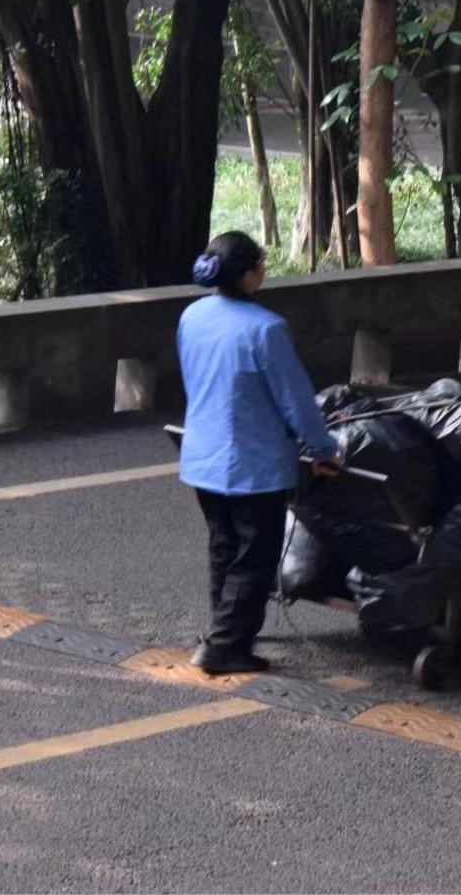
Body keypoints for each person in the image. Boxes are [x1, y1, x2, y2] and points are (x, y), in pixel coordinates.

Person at [177, 231, 341, 675]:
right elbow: (296, 400)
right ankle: (225, 645)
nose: (263, 271)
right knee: (255, 555)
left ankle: (225, 629)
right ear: (250, 275)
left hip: (202, 454)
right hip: (254, 462)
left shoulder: (192, 316)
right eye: (260, 265)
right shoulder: (266, 328)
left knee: (224, 546)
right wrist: (323, 449)